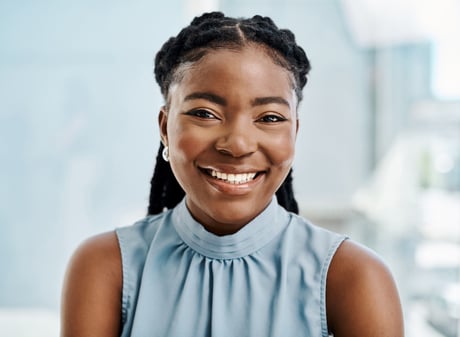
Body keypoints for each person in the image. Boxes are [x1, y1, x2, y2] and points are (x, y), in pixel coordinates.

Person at [60, 12, 404, 337]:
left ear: (294, 133)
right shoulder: (107, 268)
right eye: (205, 113)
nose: (237, 144)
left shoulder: (352, 277)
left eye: (269, 117)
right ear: (165, 128)